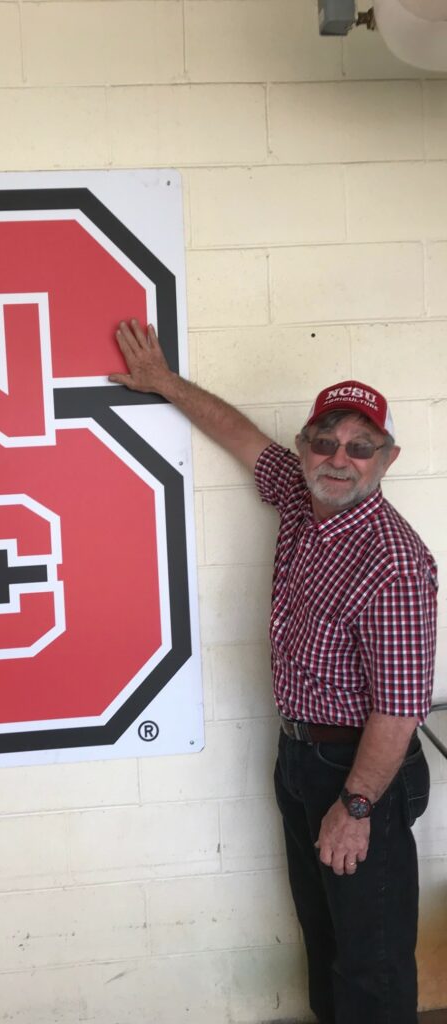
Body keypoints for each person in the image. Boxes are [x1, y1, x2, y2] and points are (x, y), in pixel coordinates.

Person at [110, 319, 437, 1024]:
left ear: (388, 457)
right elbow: (239, 434)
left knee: (371, 964)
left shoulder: (394, 564)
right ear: (304, 448)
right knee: (324, 943)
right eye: (325, 440)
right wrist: (165, 383)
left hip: (361, 776)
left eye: (360, 446)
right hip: (302, 757)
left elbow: (400, 709)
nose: (339, 458)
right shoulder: (299, 494)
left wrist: (355, 809)